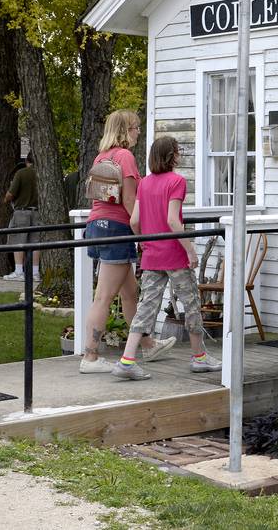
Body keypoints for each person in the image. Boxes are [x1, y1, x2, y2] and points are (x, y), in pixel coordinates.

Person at [112, 135, 221, 380]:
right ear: (172, 155)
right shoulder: (176, 181)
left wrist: (145, 242)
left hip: (152, 256)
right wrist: (190, 250)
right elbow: (173, 220)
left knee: (146, 308)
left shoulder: (145, 183)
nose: (180, 154)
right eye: (178, 151)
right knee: (191, 303)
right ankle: (199, 357)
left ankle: (127, 360)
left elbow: (134, 221)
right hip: (174, 255)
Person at [80, 109, 175, 374]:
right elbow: (130, 201)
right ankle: (90, 357)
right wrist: (144, 236)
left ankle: (147, 344)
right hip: (117, 229)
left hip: (97, 227)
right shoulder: (125, 156)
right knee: (104, 296)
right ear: (125, 130)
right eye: (135, 128)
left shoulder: (102, 156)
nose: (138, 132)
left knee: (130, 293)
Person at [3, 151, 41, 283]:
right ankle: (35, 273)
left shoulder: (22, 173)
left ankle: (19, 271)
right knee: (35, 243)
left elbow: (11, 194)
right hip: (37, 212)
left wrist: (6, 199)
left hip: (21, 211)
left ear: (26, 161)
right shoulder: (41, 174)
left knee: (18, 241)